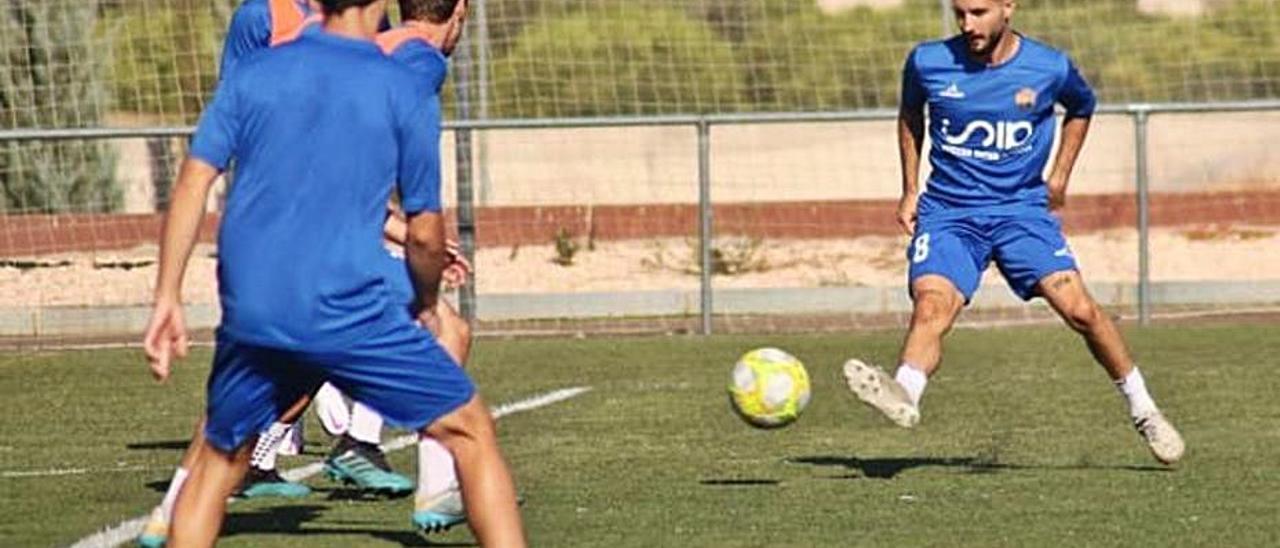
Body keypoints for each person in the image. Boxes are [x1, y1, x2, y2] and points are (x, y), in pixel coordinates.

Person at [141, 0, 525, 545]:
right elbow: (424, 230)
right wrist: (424, 297)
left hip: (255, 303)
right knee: (471, 430)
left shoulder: (257, 68)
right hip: (346, 300)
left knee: (218, 465)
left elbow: (192, 180)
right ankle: (421, 480)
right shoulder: (401, 83)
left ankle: (177, 508)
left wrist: (167, 296)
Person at [843, 0, 1184, 466]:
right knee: (932, 305)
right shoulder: (927, 61)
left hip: (1021, 212)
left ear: (1009, 7)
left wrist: (1060, 175)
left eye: (979, 12)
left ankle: (1144, 410)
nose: (968, 24)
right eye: (960, 12)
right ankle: (905, 391)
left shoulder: (1049, 66)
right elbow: (910, 116)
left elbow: (1082, 107)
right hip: (950, 214)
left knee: (1081, 310)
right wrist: (909, 190)